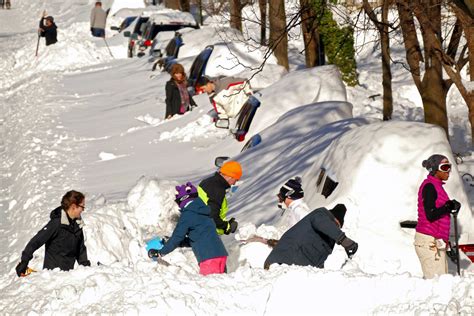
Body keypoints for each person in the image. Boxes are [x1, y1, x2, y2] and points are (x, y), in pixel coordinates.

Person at [149, 182, 228, 275]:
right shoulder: (203, 213)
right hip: (221, 254)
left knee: (211, 285)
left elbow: (177, 237)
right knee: (222, 285)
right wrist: (176, 243)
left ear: (182, 200)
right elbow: (197, 239)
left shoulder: (188, 214)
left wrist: (160, 253)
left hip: (209, 258)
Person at [15, 191, 91, 277]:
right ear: (73, 206)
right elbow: (35, 241)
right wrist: (24, 262)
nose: (83, 209)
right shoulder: (56, 223)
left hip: (67, 276)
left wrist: (86, 269)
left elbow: (80, 249)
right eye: (82, 206)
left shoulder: (77, 225)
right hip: (52, 277)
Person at [264, 204, 358, 269]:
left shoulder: (325, 239)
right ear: (335, 220)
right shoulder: (320, 215)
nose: (336, 229)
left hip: (290, 267)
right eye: (337, 226)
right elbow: (321, 222)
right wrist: (344, 240)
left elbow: (318, 260)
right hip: (281, 262)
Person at [414, 154, 461, 279]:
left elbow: (440, 214)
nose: (449, 171)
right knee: (436, 286)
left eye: (449, 167)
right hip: (428, 242)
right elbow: (430, 214)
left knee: (440, 284)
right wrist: (447, 206)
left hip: (435, 242)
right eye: (445, 167)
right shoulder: (429, 186)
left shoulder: (437, 186)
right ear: (435, 170)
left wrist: (450, 206)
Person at [198, 161, 242, 235]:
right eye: (236, 180)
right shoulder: (217, 189)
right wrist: (227, 226)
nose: (234, 183)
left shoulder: (208, 182)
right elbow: (212, 216)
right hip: (205, 233)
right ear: (230, 176)